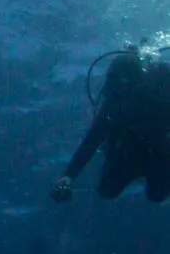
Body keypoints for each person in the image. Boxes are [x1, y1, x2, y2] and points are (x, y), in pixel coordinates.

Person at [51, 44, 170, 203]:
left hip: (157, 153)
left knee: (157, 196)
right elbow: (92, 139)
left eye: (127, 85)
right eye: (120, 86)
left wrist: (69, 176)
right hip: (128, 155)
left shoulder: (159, 97)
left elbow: (92, 140)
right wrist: (68, 176)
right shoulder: (112, 105)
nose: (124, 91)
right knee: (107, 191)